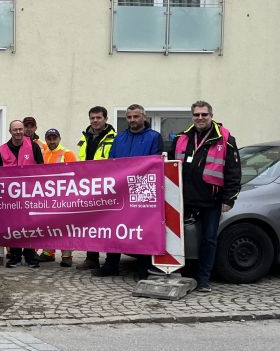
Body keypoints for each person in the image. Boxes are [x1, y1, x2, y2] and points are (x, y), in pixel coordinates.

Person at [171, 101, 240, 293]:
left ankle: (203, 279)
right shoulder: (182, 138)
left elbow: (233, 171)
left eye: (204, 115)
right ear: (192, 116)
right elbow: (169, 165)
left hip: (211, 200)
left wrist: (229, 198)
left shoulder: (225, 139)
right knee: (177, 239)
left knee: (208, 240)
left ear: (211, 115)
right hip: (184, 198)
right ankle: (179, 274)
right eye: (196, 115)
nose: (200, 118)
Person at [94, 104, 165, 281]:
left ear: (144, 117)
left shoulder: (154, 137)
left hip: (142, 188)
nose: (132, 120)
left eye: (136, 117)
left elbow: (155, 162)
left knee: (142, 228)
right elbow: (112, 161)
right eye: (129, 117)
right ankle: (111, 264)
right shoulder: (120, 138)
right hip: (120, 188)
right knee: (115, 226)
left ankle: (143, 267)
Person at [0, 119, 44, 268]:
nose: (18, 132)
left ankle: (30, 256)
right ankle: (15, 256)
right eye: (15, 129)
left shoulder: (34, 146)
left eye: (20, 129)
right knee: (14, 226)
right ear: (10, 132)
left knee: (30, 226)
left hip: (30, 195)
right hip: (11, 197)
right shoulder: (1, 150)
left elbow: (42, 169)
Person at [75, 106, 116, 270]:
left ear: (105, 119)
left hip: (107, 185)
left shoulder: (114, 138)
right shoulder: (85, 137)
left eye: (98, 118)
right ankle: (91, 257)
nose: (95, 121)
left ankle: (110, 259)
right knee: (89, 222)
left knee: (107, 222)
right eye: (92, 118)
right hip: (88, 185)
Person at [38, 128, 77, 266]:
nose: (52, 141)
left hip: (64, 196)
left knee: (65, 226)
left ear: (59, 139)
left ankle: (67, 256)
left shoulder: (67, 153)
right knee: (48, 224)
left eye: (54, 138)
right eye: (49, 138)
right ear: (46, 139)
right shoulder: (42, 153)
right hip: (46, 196)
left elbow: (76, 175)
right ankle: (48, 252)